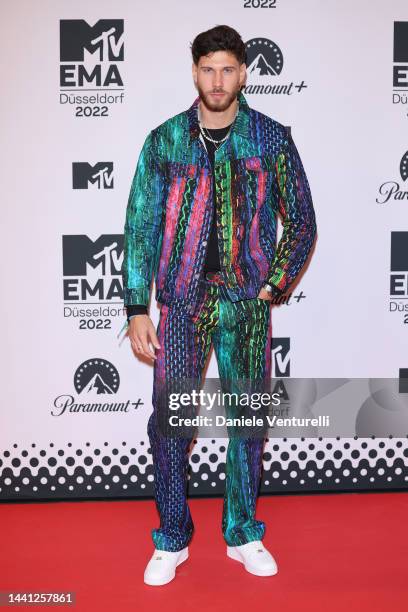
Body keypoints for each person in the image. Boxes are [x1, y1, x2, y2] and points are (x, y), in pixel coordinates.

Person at [122, 24, 317, 586]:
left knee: (248, 423)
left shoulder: (270, 138)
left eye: (228, 69)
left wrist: (271, 284)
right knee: (171, 424)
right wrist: (137, 307)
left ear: (243, 74)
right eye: (208, 68)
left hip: (246, 303)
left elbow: (302, 221)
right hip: (182, 302)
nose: (217, 79)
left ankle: (242, 531)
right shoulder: (164, 141)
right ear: (194, 72)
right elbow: (139, 226)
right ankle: (172, 539)